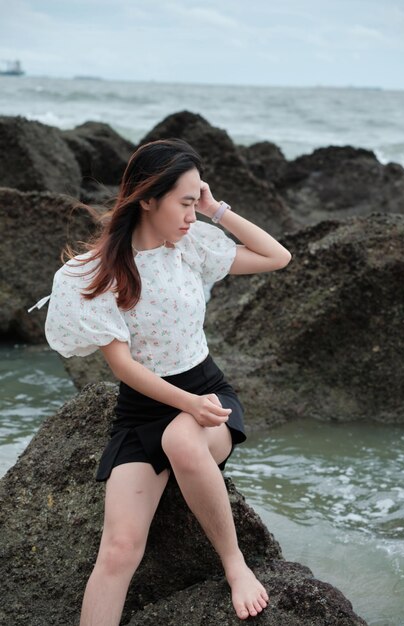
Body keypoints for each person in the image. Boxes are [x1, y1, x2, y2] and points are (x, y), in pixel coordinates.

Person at [33, 138, 291, 624]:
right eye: (186, 202)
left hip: (209, 394)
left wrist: (218, 209)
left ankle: (235, 565)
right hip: (142, 408)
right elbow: (124, 368)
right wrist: (184, 405)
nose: (193, 214)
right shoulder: (100, 272)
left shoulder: (190, 247)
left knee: (183, 441)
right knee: (118, 550)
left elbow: (278, 257)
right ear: (148, 198)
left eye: (198, 202)